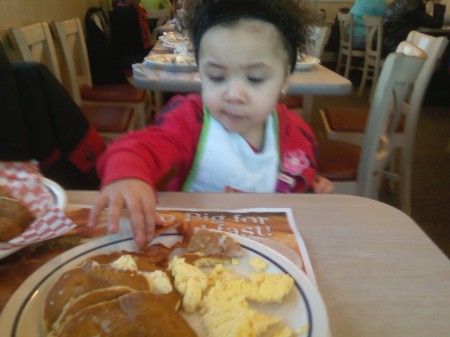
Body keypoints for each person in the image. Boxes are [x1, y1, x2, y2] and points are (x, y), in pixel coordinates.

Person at [89, 0, 334, 244]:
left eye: (255, 78)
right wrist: (128, 177)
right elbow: (138, 147)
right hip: (190, 247)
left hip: (262, 249)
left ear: (284, 80)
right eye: (217, 77)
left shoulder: (295, 132)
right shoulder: (190, 120)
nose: (234, 94)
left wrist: (311, 188)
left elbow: (295, 181)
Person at [110, 0, 152, 68]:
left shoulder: (114, 10)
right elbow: (140, 40)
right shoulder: (133, 11)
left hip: (119, 57)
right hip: (134, 59)